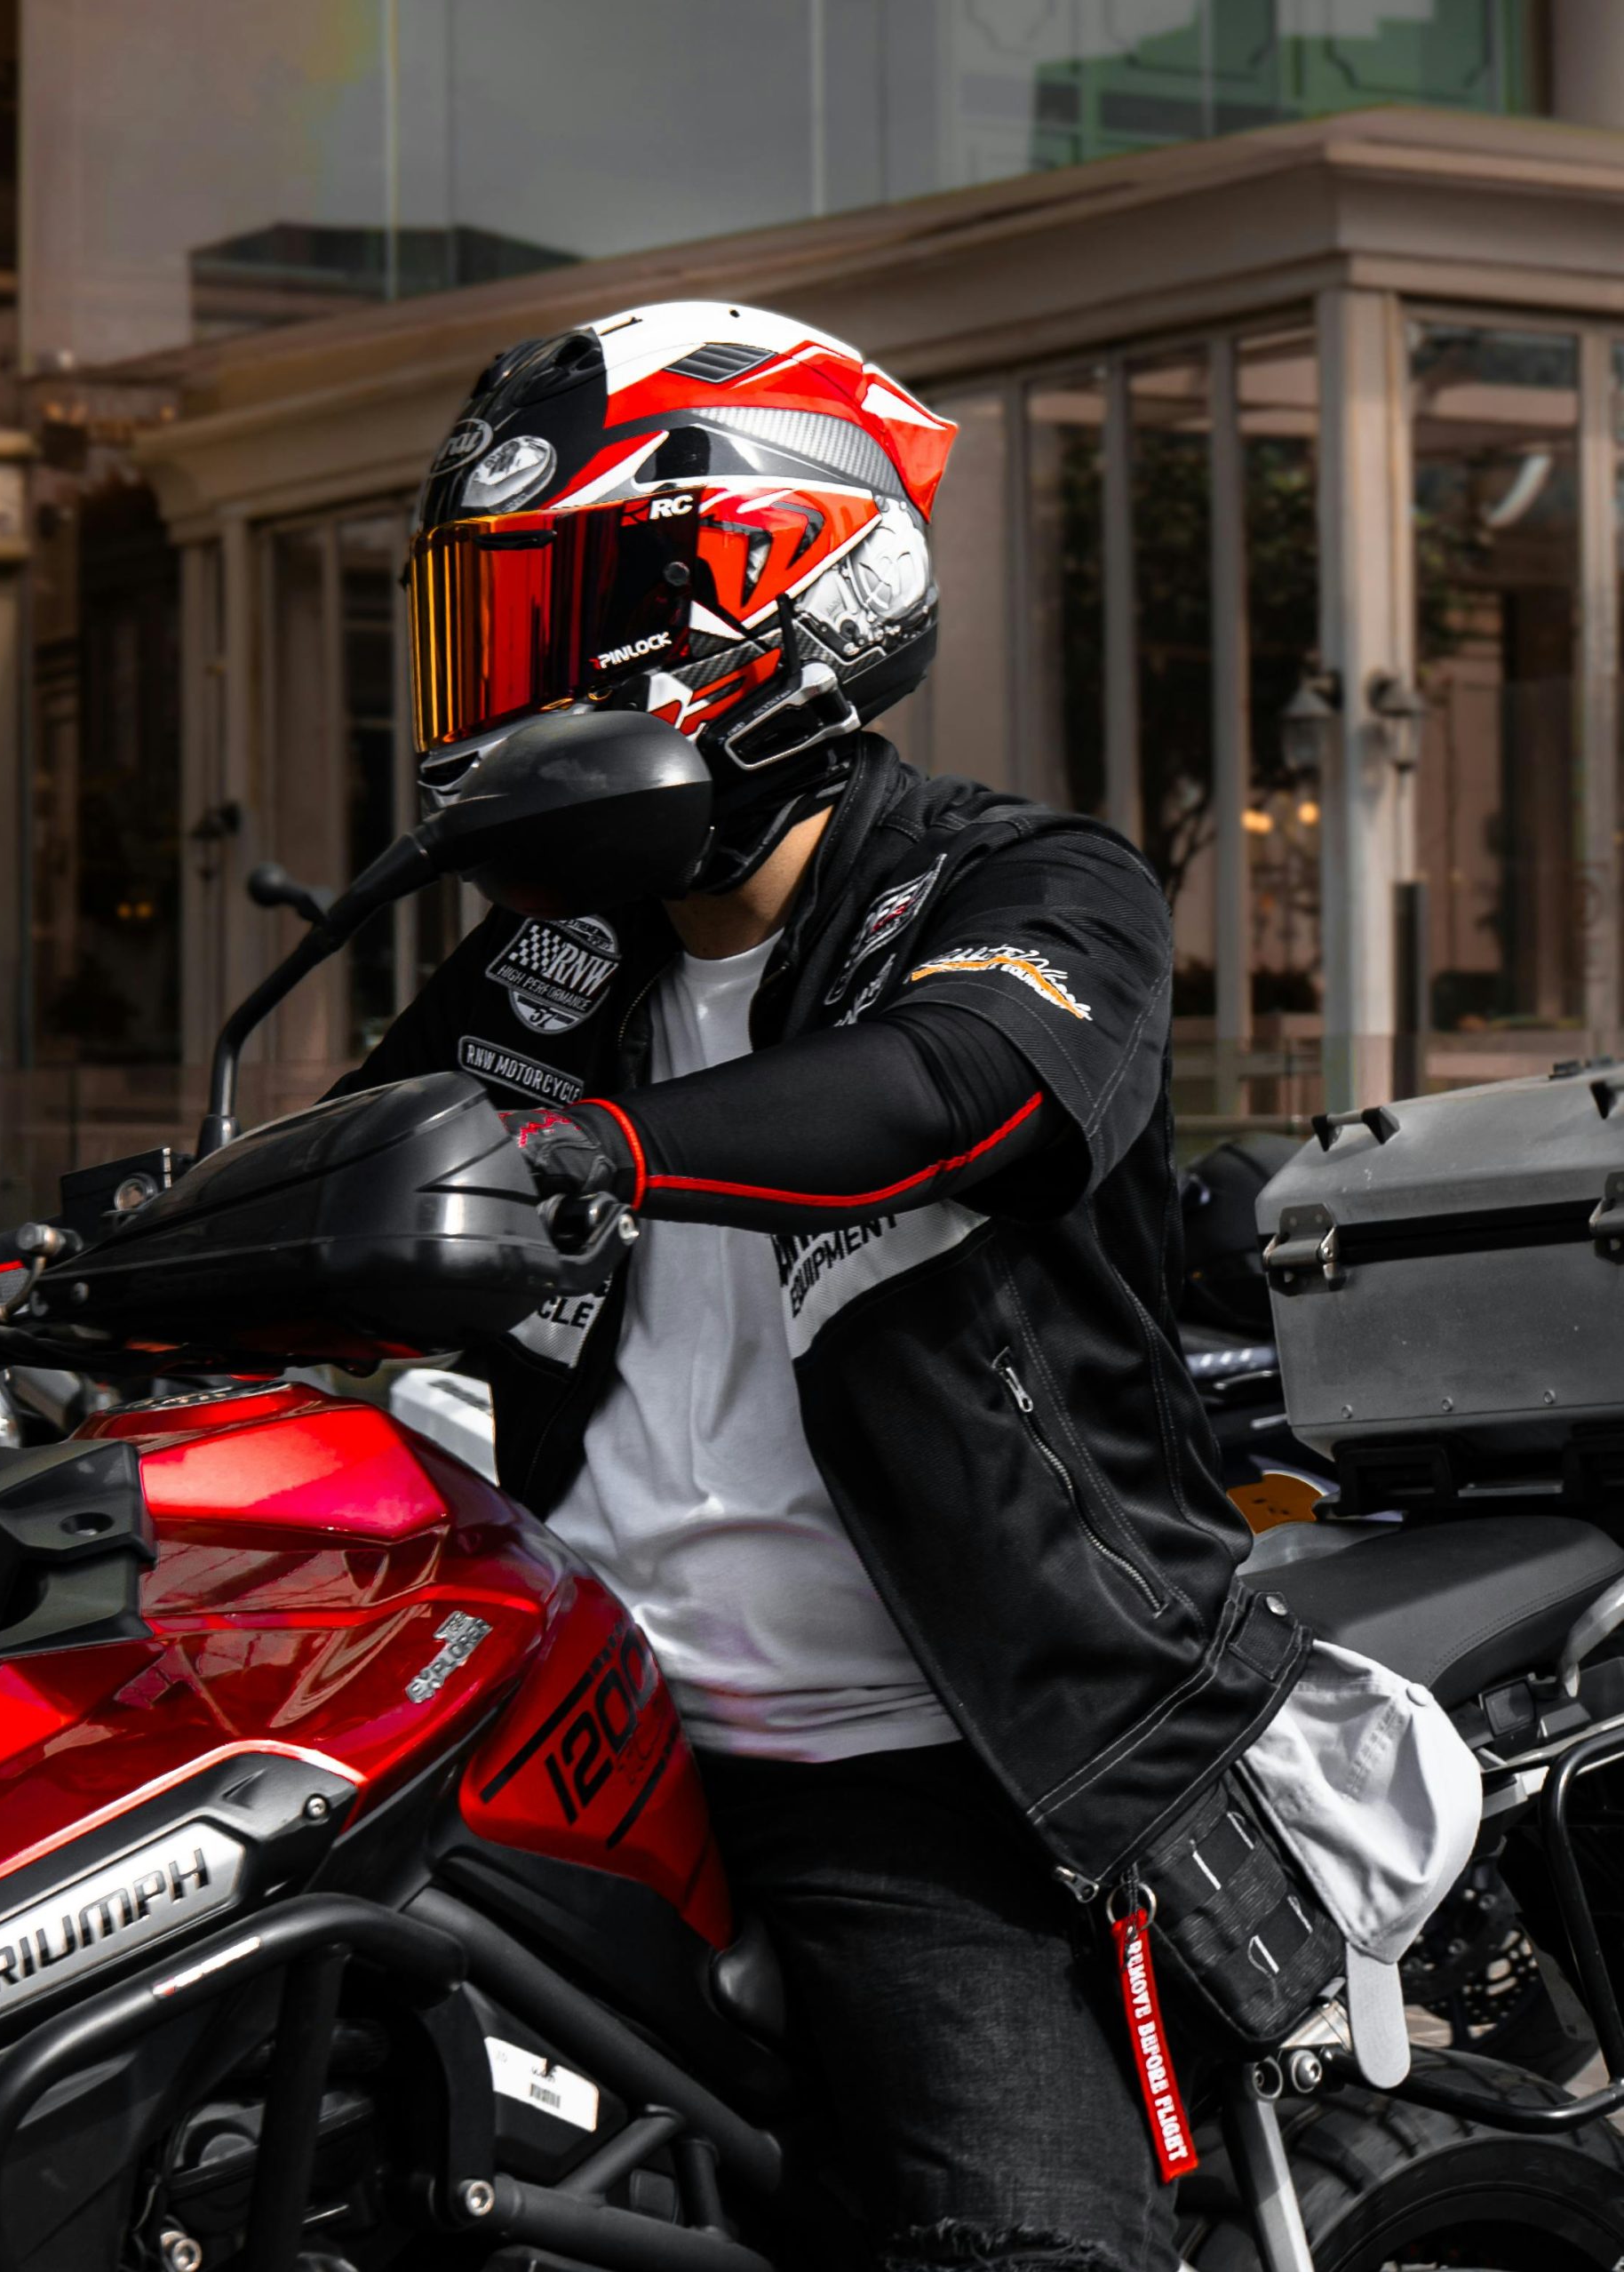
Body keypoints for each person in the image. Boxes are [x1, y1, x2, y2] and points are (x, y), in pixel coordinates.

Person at [340, 301, 1304, 2272]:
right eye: (478, 629)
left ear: (762, 603)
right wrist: (37, 1274)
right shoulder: (563, 960)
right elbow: (346, 1176)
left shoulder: (1023, 887)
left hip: (920, 1764)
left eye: (546, 620)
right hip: (582, 1728)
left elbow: (965, 1090)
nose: (493, 694)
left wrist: (598, 1155)